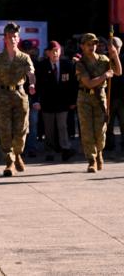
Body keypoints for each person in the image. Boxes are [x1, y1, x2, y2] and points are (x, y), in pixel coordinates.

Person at [0, 23, 36, 177]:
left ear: (18, 38)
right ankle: (9, 162)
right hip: (3, 97)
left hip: (20, 96)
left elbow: (31, 73)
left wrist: (32, 84)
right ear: (5, 39)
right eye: (10, 36)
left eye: (15, 36)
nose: (13, 39)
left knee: (21, 130)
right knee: (4, 130)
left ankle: (18, 154)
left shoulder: (24, 57)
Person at [75, 33, 122, 172]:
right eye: (89, 44)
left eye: (94, 44)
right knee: (87, 130)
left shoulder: (103, 59)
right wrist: (104, 76)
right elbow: (88, 83)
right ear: (82, 46)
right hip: (85, 98)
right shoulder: (80, 63)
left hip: (100, 99)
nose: (92, 47)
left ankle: (99, 153)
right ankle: (91, 160)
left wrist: (114, 55)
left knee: (101, 131)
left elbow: (118, 72)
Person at [33, 40, 78, 162]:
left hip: (63, 103)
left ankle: (65, 149)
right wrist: (36, 101)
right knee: (49, 129)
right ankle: (50, 151)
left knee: (62, 126)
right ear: (47, 53)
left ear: (60, 51)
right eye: (52, 51)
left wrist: (73, 101)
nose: (55, 54)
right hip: (47, 103)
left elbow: (73, 84)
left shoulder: (67, 65)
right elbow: (37, 85)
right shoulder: (41, 66)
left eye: (57, 51)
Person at [105, 36, 124, 155]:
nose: (113, 49)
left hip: (122, 97)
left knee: (123, 122)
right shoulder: (105, 60)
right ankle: (109, 144)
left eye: (116, 47)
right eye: (111, 46)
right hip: (109, 97)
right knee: (108, 123)